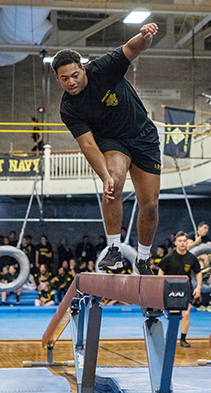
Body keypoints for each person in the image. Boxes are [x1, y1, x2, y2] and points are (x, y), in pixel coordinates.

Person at [52, 22, 160, 276]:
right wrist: (105, 177)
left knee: (150, 205)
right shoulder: (69, 107)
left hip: (143, 136)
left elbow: (132, 48)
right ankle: (114, 249)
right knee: (113, 186)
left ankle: (143, 259)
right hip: (112, 141)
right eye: (64, 79)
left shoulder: (103, 67)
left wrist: (145, 36)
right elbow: (88, 144)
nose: (71, 82)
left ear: (83, 68)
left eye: (75, 75)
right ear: (57, 78)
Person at [158, 231, 202, 348]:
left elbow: (198, 273)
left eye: (184, 241)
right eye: (180, 241)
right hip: (171, 289)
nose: (182, 243)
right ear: (175, 243)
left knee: (186, 314)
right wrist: (160, 286)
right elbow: (161, 272)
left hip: (186, 289)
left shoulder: (191, 258)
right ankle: (170, 338)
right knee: (174, 315)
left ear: (187, 243)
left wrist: (198, 287)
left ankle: (183, 339)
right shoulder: (169, 258)